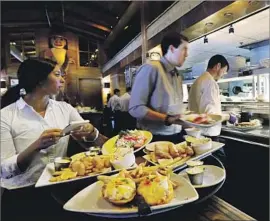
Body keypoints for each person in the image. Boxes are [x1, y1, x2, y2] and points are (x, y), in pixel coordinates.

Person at [0, 58, 107, 221]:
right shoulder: (6, 116)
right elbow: (4, 170)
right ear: (39, 80)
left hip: (59, 188)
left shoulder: (64, 109)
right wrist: (36, 146)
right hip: (22, 195)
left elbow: (91, 144)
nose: (63, 79)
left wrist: (91, 133)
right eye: (57, 74)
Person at [129, 32, 189, 143]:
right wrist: (167, 119)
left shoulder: (178, 75)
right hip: (154, 138)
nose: (187, 54)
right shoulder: (151, 68)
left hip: (177, 135)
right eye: (184, 49)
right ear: (171, 49)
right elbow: (135, 108)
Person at [188, 55, 237, 165]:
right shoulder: (210, 82)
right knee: (218, 165)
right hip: (207, 135)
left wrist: (224, 114)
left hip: (197, 133)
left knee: (203, 167)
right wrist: (228, 117)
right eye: (224, 71)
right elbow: (210, 115)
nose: (224, 74)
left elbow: (204, 109)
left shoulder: (198, 80)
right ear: (218, 66)